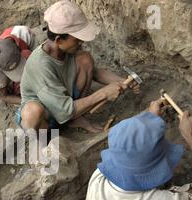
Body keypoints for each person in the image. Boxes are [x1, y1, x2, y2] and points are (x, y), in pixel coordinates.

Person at [18, 0, 140, 133]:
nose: (81, 42)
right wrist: (104, 93)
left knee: (85, 59)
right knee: (32, 113)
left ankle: (75, 117)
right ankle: (49, 141)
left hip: (64, 102)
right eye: (77, 39)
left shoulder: (64, 50)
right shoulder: (40, 65)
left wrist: (122, 81)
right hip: (47, 116)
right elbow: (63, 110)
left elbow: (93, 72)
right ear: (59, 40)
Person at [0, 26, 38, 106]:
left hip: (28, 56)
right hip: (5, 79)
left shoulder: (24, 34)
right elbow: (3, 96)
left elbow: (41, 58)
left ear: (17, 47)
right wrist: (28, 102)